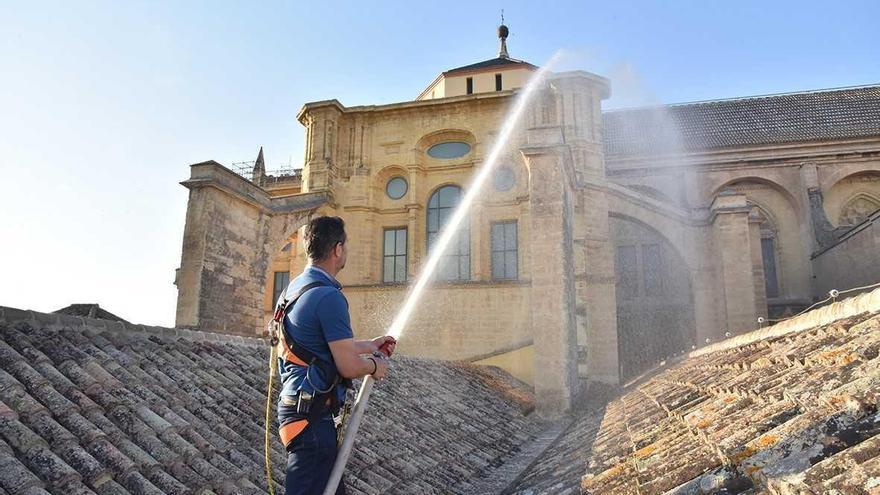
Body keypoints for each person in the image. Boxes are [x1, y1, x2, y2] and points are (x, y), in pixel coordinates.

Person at [275, 216, 395, 495]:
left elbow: (319, 346)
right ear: (337, 249)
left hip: (303, 411)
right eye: (347, 246)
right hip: (313, 419)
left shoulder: (293, 289)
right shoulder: (329, 296)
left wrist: (370, 345)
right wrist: (375, 366)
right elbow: (348, 365)